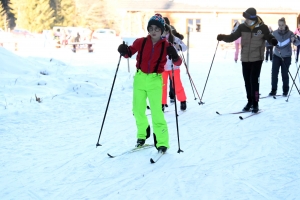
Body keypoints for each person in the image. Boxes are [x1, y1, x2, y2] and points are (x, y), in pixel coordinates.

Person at [117, 13, 182, 153]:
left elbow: (178, 62)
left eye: (156, 29)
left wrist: (175, 54)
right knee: (137, 110)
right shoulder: (141, 41)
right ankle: (142, 133)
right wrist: (123, 51)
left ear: (162, 30)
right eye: (151, 28)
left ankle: (162, 142)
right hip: (140, 78)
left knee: (156, 112)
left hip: (155, 80)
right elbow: (129, 53)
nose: (153, 31)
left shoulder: (166, 45)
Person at [217, 7, 277, 113]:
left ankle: (256, 103)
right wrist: (222, 37)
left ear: (253, 18)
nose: (246, 20)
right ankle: (249, 102)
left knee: (254, 81)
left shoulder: (263, 28)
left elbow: (268, 36)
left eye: (248, 18)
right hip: (245, 58)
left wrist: (272, 40)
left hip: (257, 58)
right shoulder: (242, 27)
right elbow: (232, 37)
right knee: (247, 81)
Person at [269, 18, 300, 96]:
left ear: (285, 24)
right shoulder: (274, 33)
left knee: (284, 74)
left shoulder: (290, 33)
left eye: (282, 25)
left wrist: (294, 40)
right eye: (279, 25)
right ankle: (273, 90)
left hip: (286, 57)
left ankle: (285, 91)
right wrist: (271, 42)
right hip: (276, 55)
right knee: (274, 73)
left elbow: (297, 43)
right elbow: (268, 42)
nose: (281, 26)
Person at [161, 23, 187, 111]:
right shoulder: (158, 40)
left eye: (162, 31)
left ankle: (182, 100)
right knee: (162, 85)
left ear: (167, 31)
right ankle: (161, 103)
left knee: (177, 84)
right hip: (162, 67)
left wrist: (178, 46)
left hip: (174, 66)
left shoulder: (174, 39)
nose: (161, 32)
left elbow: (184, 47)